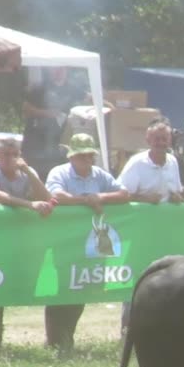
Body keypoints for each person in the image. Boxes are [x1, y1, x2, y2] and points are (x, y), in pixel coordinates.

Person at [45, 133, 130, 350]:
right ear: (71, 156)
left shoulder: (100, 175)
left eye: (90, 155)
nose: (86, 160)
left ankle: (67, 337)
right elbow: (57, 196)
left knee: (81, 287)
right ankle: (54, 339)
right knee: (63, 287)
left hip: (91, 244)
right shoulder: (60, 172)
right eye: (81, 155)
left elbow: (123, 193)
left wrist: (100, 197)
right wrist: (85, 200)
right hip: (63, 240)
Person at [0, 138, 53, 348]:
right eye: (5, 154)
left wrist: (31, 173)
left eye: (14, 154)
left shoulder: (26, 172)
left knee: (1, 287)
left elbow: (46, 198)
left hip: (14, 238)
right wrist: (29, 204)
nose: (9, 158)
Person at [22, 67, 87, 176]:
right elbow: (26, 109)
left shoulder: (71, 88)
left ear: (66, 70)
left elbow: (89, 98)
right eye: (56, 68)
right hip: (35, 139)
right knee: (33, 173)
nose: (59, 71)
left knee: (54, 172)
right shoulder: (40, 87)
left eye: (62, 69)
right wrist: (48, 113)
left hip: (58, 140)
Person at [117, 120, 184, 204]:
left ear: (170, 141)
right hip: (142, 216)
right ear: (148, 140)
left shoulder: (173, 161)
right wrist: (145, 199)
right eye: (157, 139)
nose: (161, 142)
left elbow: (177, 191)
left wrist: (177, 197)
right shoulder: (137, 162)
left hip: (167, 216)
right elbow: (120, 194)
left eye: (164, 139)